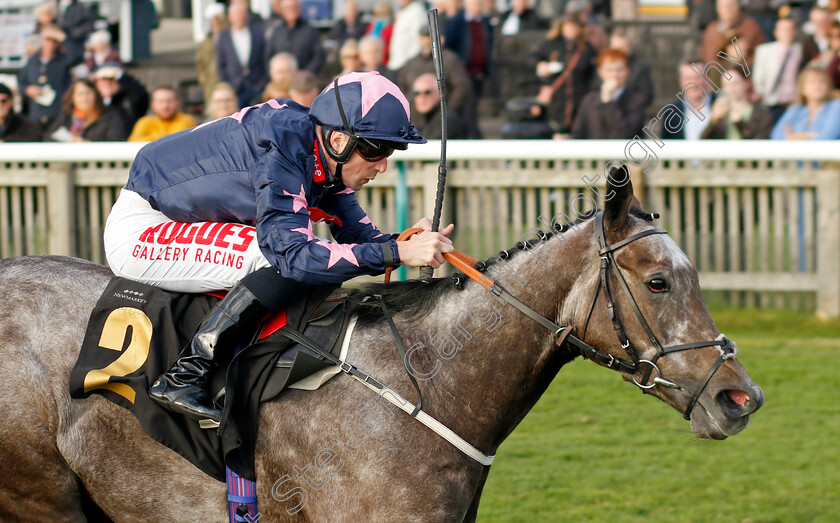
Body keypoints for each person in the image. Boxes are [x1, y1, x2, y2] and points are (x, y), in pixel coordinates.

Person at [103, 71, 453, 422]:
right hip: (144, 229)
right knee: (275, 257)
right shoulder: (283, 149)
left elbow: (363, 241)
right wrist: (399, 253)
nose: (382, 164)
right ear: (338, 140)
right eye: (375, 148)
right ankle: (187, 373)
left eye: (391, 150)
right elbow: (293, 257)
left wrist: (405, 242)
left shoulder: (319, 156)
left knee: (310, 257)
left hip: (183, 220)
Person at [399, 25, 476, 138]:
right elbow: (404, 88)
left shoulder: (449, 60)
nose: (426, 41)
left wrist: (448, 111)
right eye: (423, 37)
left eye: (429, 37)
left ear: (440, 39)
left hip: (442, 120)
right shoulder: (412, 63)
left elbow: (462, 86)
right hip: (416, 121)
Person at [531, 16, 597, 136]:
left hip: (578, 95)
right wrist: (541, 65)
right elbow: (534, 58)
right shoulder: (551, 44)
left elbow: (592, 73)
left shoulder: (586, 48)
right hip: (556, 96)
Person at [569, 49, 647, 139]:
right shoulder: (589, 100)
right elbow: (578, 133)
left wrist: (608, 101)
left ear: (627, 71)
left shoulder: (637, 101)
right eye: (609, 70)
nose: (614, 75)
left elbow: (625, 133)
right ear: (600, 71)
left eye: (619, 70)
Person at [18, 25, 82, 127]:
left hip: (58, 112)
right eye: (48, 39)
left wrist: (62, 36)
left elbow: (77, 54)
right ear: (42, 40)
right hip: (37, 113)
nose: (51, 43)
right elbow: (21, 82)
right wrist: (28, 89)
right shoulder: (33, 60)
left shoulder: (63, 59)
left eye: (54, 40)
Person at [752, 18, 804, 123]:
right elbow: (758, 77)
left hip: (793, 102)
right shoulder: (764, 51)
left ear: (794, 32)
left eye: (789, 29)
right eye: (783, 29)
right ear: (776, 32)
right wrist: (762, 93)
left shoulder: (800, 50)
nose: (787, 33)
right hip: (772, 100)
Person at [217, 1, 268, 107]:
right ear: (230, 16)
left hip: (257, 87)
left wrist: (262, 83)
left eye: (242, 14)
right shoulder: (223, 37)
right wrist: (228, 85)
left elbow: (265, 59)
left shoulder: (258, 33)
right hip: (235, 89)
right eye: (237, 14)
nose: (240, 17)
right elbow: (221, 65)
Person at [45, 78, 128, 141]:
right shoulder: (67, 115)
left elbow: (117, 141)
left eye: (88, 93)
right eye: (80, 94)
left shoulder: (110, 115)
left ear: (96, 95)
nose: (85, 98)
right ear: (72, 97)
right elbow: (48, 138)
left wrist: (87, 145)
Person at [701, 66, 773, 139]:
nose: (731, 89)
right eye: (726, 85)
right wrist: (713, 121)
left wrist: (739, 123)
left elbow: (759, 140)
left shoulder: (760, 111)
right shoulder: (721, 112)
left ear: (746, 83)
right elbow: (703, 141)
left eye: (735, 83)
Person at [445, 0, 494, 104]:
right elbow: (450, 46)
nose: (477, 6)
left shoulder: (485, 22)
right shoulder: (456, 22)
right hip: (463, 70)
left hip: (480, 72)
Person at [771, 66, 840, 139]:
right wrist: (809, 135)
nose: (817, 86)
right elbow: (776, 136)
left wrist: (793, 137)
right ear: (802, 88)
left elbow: (828, 137)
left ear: (828, 86)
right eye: (812, 82)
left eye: (822, 82)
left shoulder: (836, 106)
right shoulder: (796, 109)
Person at [659, 58, 715, 140]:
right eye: (688, 78)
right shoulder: (671, 112)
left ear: (708, 79)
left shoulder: (722, 105)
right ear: (681, 81)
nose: (693, 84)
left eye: (697, 78)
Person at [699, 0, 765, 69]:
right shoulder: (711, 30)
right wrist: (727, 57)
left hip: (742, 74)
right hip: (714, 75)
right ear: (717, 9)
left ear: (738, 7)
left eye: (731, 5)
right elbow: (706, 58)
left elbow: (761, 58)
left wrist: (741, 60)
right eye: (723, 6)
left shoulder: (751, 27)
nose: (727, 9)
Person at [265, 0, 325, 74]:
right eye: (288, 8)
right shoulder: (276, 31)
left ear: (299, 9)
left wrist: (306, 73)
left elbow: (319, 56)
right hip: (281, 80)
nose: (291, 11)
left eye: (294, 7)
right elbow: (268, 56)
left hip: (303, 80)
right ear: (282, 10)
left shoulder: (310, 30)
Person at [128, 86, 197, 142]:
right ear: (153, 105)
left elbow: (175, 140)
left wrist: (152, 137)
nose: (165, 106)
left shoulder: (186, 120)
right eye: (161, 102)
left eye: (169, 101)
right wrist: (162, 135)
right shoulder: (145, 121)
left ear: (177, 103)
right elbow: (133, 141)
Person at [92, 63, 150, 129]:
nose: (107, 82)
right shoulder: (93, 102)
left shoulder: (127, 102)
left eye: (111, 79)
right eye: (103, 79)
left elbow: (140, 95)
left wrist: (121, 76)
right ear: (97, 83)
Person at [607, 31, 655, 108]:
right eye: (614, 50)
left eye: (620, 48)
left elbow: (646, 96)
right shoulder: (605, 65)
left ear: (628, 47)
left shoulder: (640, 68)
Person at [410, 73, 465, 139]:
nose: (421, 98)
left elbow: (430, 146)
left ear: (439, 94)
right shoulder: (419, 118)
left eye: (427, 92)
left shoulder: (446, 119)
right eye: (417, 93)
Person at [196, 5, 228, 107]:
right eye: (212, 20)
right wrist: (203, 79)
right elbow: (200, 63)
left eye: (218, 19)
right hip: (211, 85)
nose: (215, 22)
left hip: (229, 83)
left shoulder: (231, 38)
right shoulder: (206, 41)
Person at [388, 0, 425, 70]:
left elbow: (418, 41)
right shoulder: (405, 11)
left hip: (407, 65)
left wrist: (410, 64)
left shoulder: (416, 12)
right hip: (398, 63)